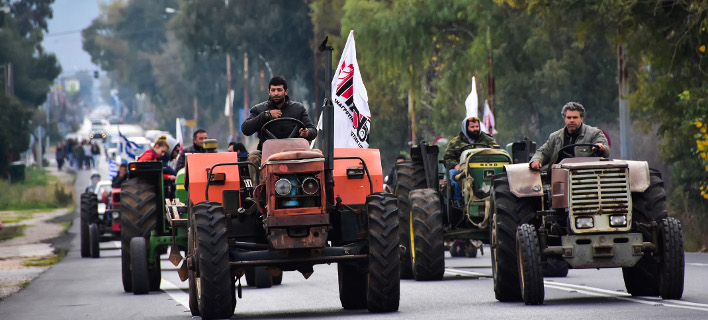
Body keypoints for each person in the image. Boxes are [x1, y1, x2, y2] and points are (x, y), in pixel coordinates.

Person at [241, 76, 317, 168]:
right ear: (269, 92)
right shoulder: (259, 109)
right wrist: (266, 115)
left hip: (296, 152)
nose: (276, 93)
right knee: (253, 156)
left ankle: (311, 182)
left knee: (317, 153)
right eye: (273, 90)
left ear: (286, 91)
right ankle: (259, 182)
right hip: (267, 154)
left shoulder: (298, 109)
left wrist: (307, 133)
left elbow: (312, 130)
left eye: (279, 90)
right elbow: (246, 129)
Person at [529, 102, 609, 170]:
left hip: (585, 177)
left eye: (575, 117)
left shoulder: (594, 133)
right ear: (564, 118)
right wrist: (537, 160)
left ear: (581, 118)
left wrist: (601, 147)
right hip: (559, 178)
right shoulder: (555, 137)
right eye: (569, 117)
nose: (571, 120)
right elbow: (543, 152)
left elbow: (604, 149)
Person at [444, 116, 497, 203]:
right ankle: (457, 202)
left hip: (485, 170)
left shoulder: (488, 139)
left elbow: (497, 152)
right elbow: (447, 158)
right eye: (472, 127)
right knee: (453, 174)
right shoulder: (455, 141)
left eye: (477, 126)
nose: (475, 129)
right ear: (466, 128)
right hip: (463, 172)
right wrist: (455, 165)